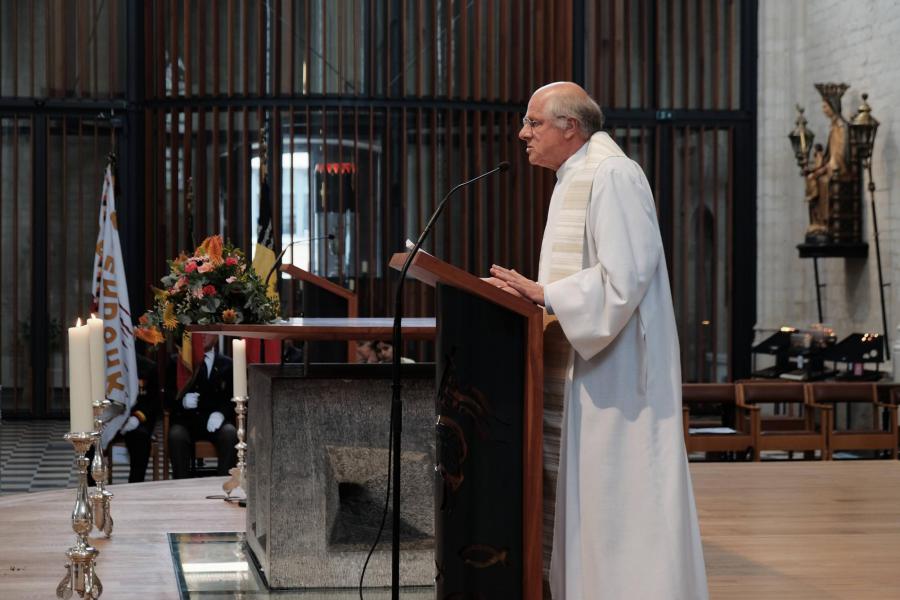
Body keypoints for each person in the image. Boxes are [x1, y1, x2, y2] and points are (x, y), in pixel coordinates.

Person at [488, 82, 708, 599]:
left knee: (620, 502)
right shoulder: (575, 177)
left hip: (615, 378)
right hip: (585, 369)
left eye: (533, 122)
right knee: (591, 504)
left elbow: (626, 277)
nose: (523, 133)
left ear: (571, 127)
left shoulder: (612, 175)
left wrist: (545, 293)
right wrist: (537, 297)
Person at [167, 335, 237, 479]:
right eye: (199, 331)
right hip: (187, 421)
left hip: (215, 423)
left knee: (230, 433)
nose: (203, 336)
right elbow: (166, 397)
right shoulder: (179, 361)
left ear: (216, 337)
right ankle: (180, 486)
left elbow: (233, 398)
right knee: (176, 435)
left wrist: (221, 414)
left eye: (208, 332)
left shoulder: (227, 364)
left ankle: (226, 484)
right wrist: (182, 402)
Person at [804, 82, 851, 243]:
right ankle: (817, 222)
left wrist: (823, 169)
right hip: (831, 166)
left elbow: (839, 155)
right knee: (811, 177)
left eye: (825, 106)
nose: (823, 109)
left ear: (833, 106)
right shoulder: (833, 127)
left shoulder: (841, 127)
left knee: (822, 181)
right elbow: (830, 153)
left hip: (840, 170)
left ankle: (826, 223)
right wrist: (819, 160)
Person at [117, 344, 160, 482]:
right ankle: (93, 487)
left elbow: (154, 401)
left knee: (140, 437)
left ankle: (135, 484)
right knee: (91, 439)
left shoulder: (148, 367)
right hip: (111, 417)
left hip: (136, 420)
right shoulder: (105, 365)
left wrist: (136, 418)